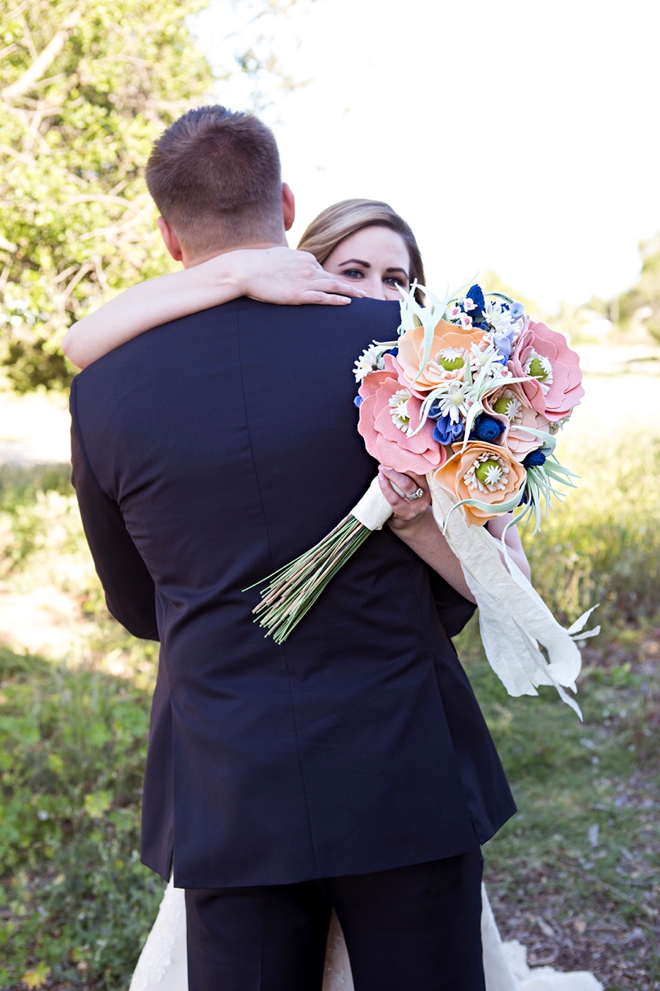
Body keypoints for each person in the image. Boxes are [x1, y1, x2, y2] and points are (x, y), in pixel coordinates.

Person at [70, 105, 519, 991]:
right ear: (284, 202)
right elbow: (469, 581)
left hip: (229, 783)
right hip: (401, 766)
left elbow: (133, 605)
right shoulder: (399, 349)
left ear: (168, 237)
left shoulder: (105, 388)